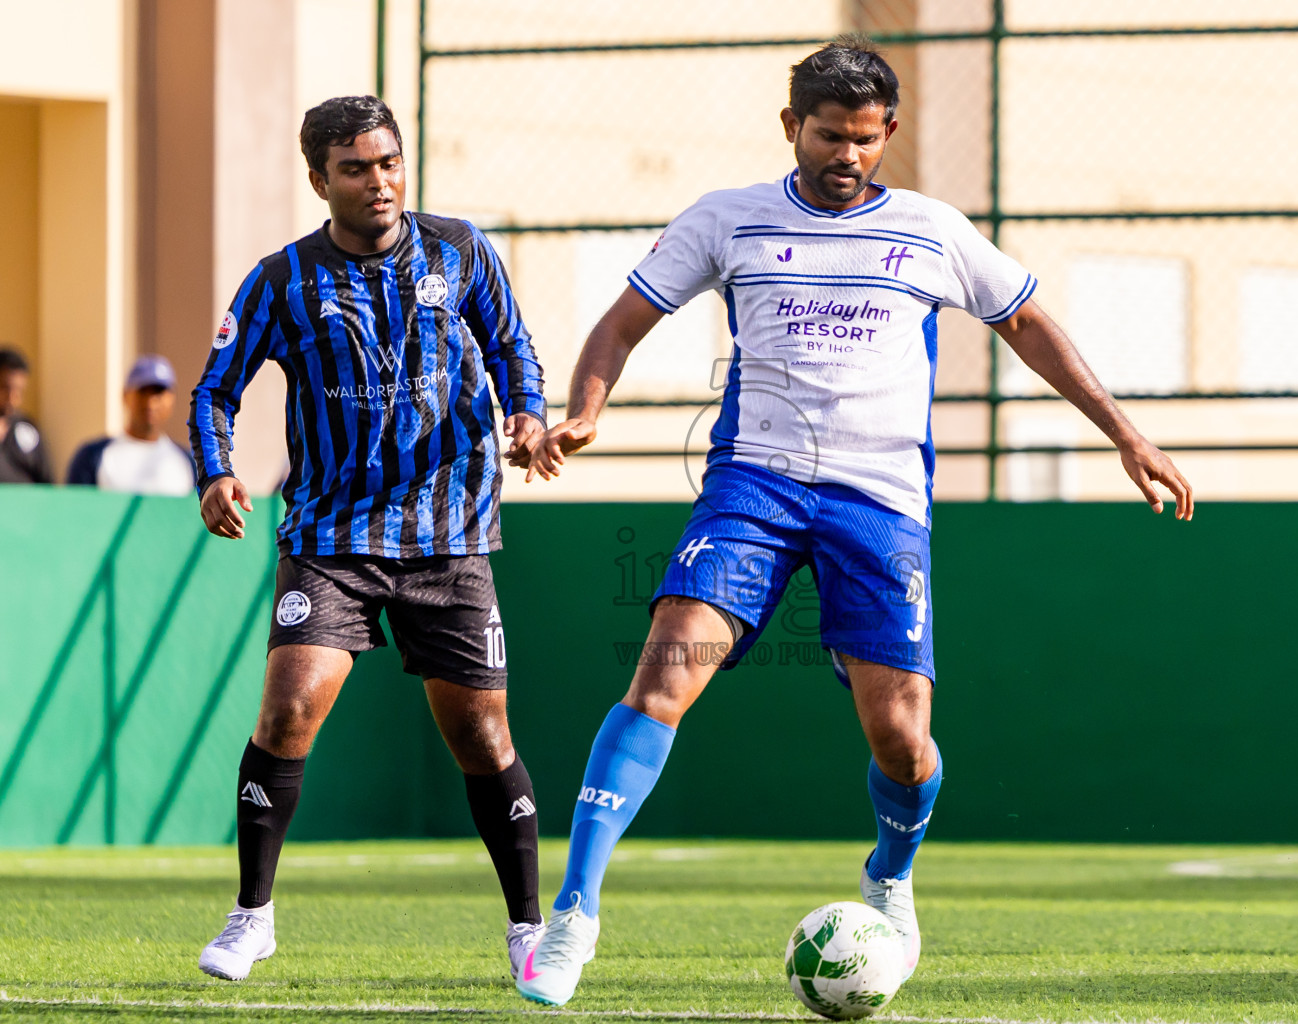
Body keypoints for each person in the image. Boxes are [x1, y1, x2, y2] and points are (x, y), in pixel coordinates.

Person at [514, 37, 1194, 1007]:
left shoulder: (930, 229)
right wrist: (585, 408)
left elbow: (1028, 323)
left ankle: (890, 872)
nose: (848, 155)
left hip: (880, 504)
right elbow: (623, 322)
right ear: (792, 127)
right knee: (664, 669)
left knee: (903, 740)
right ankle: (573, 916)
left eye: (867, 140)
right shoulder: (727, 218)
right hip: (755, 485)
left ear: (890, 135)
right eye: (830, 136)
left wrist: (1126, 434)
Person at [187, 95, 548, 984]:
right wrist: (215, 468)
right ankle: (252, 918)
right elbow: (215, 388)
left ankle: (529, 932)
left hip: (449, 535)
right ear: (320, 180)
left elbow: (511, 346)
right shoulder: (282, 280)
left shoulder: (459, 249)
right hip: (330, 538)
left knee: (482, 738)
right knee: (288, 709)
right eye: (356, 168)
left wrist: (530, 414)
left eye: (389, 162)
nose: (379, 181)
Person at [67, 355, 195, 495]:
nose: (150, 403)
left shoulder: (187, 462)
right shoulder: (92, 456)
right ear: (125, 395)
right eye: (143, 392)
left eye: (158, 393)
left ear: (171, 399)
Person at [0, 347, 53, 484]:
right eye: (5, 388)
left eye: (19, 391)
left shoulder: (27, 428)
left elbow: (46, 481)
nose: (12, 398)